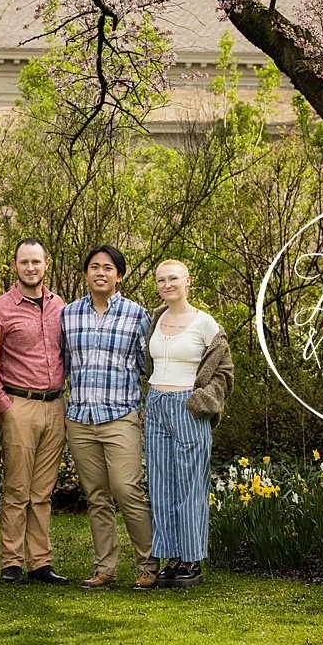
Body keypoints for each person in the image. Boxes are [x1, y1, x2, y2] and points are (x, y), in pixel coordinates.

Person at [62, 243, 160, 589]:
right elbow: (64, 363)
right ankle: (104, 568)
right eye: (94, 267)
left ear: (119, 275)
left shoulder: (137, 315)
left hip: (120, 416)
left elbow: (147, 364)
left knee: (127, 489)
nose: (100, 273)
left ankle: (148, 565)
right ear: (86, 273)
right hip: (80, 418)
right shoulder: (69, 314)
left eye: (108, 267)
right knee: (97, 496)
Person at [0, 238, 70, 585]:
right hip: (18, 404)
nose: (31, 268)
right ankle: (11, 561)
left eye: (36, 262)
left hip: (55, 405)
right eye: (24, 262)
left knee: (42, 490)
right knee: (17, 487)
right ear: (15, 266)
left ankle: (40, 562)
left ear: (46, 264)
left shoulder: (59, 305)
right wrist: (4, 404)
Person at [145, 258, 233, 589]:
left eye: (173, 278)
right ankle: (171, 558)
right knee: (161, 484)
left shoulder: (205, 324)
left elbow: (225, 371)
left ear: (187, 281)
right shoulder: (156, 318)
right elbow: (148, 361)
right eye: (161, 280)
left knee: (190, 485)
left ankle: (191, 560)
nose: (167, 284)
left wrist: (202, 401)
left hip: (188, 407)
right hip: (156, 405)